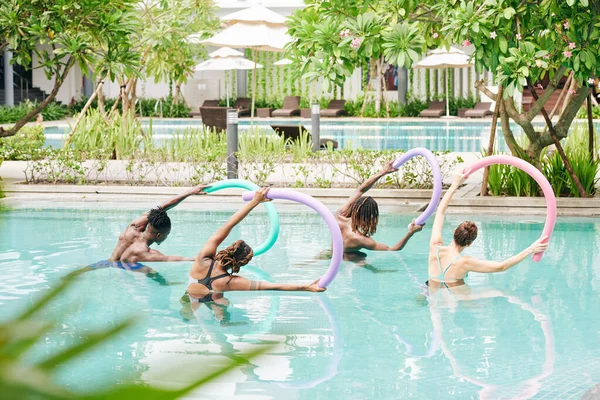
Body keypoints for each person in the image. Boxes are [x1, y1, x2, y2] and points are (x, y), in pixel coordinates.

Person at [187, 187, 325, 304]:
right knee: (221, 302)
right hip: (213, 299)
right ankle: (222, 316)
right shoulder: (230, 282)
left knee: (202, 301)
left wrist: (255, 202)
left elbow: (229, 224)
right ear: (241, 264)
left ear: (228, 249)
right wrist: (307, 287)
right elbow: (272, 286)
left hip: (191, 297)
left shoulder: (203, 259)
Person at [426, 172, 549, 289]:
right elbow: (502, 267)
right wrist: (531, 249)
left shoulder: (435, 248)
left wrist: (455, 184)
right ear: (470, 244)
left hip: (430, 290)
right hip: (454, 295)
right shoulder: (465, 262)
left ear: (454, 232)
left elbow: (440, 212)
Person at [335, 160, 423, 253]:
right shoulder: (361, 239)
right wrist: (410, 233)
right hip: (348, 259)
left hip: (333, 253)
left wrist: (382, 172)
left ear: (355, 207)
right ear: (370, 218)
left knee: (360, 256)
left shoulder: (340, 215)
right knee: (361, 258)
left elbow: (360, 190)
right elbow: (392, 249)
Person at [109, 184, 210, 264]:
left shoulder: (135, 226)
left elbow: (163, 206)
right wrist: (200, 258)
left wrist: (190, 192)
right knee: (152, 275)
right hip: (121, 269)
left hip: (108, 262)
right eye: (166, 235)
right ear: (158, 235)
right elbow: (170, 259)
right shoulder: (144, 252)